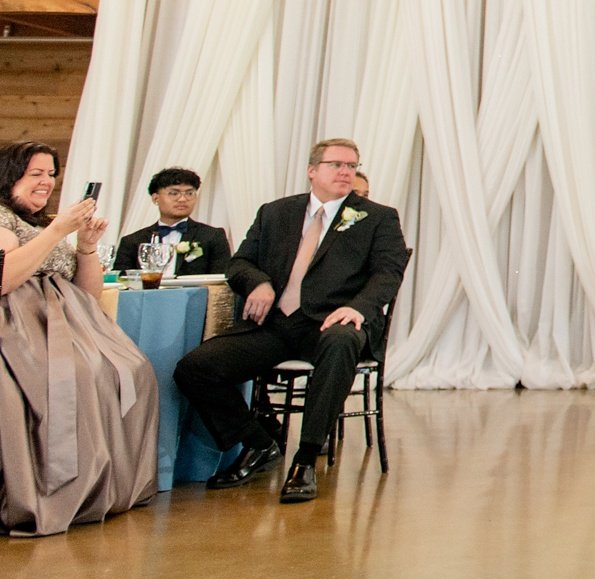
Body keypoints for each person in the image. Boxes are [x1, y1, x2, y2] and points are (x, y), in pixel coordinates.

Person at [174, 138, 409, 505]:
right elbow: (239, 264)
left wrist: (359, 309)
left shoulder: (378, 217)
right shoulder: (276, 213)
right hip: (277, 325)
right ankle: (258, 443)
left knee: (341, 341)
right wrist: (260, 283)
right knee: (195, 367)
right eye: (337, 164)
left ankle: (305, 460)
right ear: (312, 170)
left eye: (352, 165)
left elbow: (388, 273)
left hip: (334, 323)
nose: (346, 171)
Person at [0, 141, 158, 535]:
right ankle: (53, 489)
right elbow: (4, 277)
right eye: (35, 173)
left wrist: (85, 247)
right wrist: (57, 231)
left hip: (69, 326)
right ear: (9, 176)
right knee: (76, 378)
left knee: (131, 368)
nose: (46, 182)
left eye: (51, 174)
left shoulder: (41, 223)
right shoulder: (3, 219)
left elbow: (87, 293)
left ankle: (105, 482)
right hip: (20, 328)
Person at [113, 167, 232, 277]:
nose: (182, 199)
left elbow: (221, 280)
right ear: (156, 198)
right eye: (174, 193)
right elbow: (122, 282)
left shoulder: (212, 236)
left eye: (189, 193)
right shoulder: (133, 241)